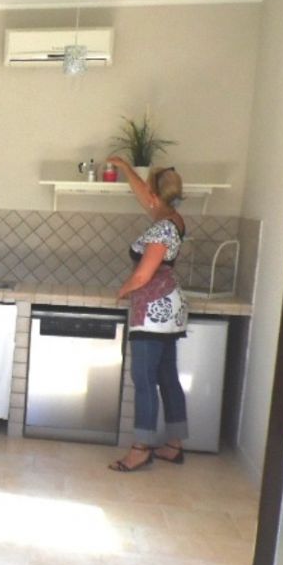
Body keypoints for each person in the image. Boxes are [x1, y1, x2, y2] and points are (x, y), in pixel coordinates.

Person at [107, 157, 188, 472]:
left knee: (144, 380)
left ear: (155, 197)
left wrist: (122, 290)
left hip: (154, 310)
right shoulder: (174, 218)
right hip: (170, 308)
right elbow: (145, 195)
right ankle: (174, 444)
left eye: (148, 193)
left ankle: (141, 448)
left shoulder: (162, 229)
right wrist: (126, 168)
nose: (144, 199)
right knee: (167, 377)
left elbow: (143, 275)